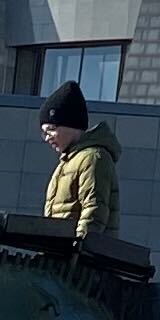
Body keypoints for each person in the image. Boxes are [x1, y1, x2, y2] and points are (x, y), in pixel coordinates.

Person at [38, 81, 119, 242]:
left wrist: (77, 249)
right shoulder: (69, 161)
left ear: (72, 125)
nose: (47, 138)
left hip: (78, 259)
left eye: (51, 130)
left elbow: (94, 210)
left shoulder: (92, 158)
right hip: (63, 254)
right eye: (44, 133)